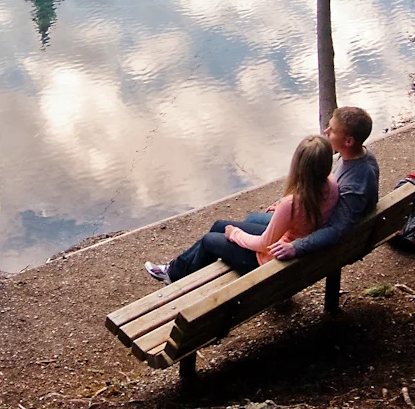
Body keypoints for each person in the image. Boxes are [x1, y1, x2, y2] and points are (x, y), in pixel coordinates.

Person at [144, 104, 380, 282]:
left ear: (348, 141)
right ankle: (175, 269)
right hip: (308, 220)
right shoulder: (354, 162)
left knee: (213, 238)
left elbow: (336, 230)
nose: (326, 131)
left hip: (295, 249)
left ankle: (179, 279)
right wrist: (284, 206)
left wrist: (292, 245)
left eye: (333, 130)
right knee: (242, 221)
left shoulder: (353, 183)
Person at [146, 135, 336, 282]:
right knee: (219, 225)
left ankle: (176, 278)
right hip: (294, 248)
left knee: (209, 241)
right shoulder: (331, 184)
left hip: (272, 260)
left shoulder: (292, 204)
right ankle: (175, 269)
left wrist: (235, 234)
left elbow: (263, 244)